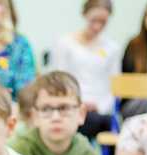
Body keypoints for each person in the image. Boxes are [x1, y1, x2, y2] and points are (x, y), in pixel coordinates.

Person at [51, 0, 120, 140]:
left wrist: (99, 106)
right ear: (84, 14)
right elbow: (60, 80)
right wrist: (78, 102)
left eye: (103, 22)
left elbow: (114, 86)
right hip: (71, 103)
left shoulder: (112, 48)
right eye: (94, 20)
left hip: (100, 109)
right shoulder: (65, 43)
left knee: (96, 121)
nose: (97, 26)